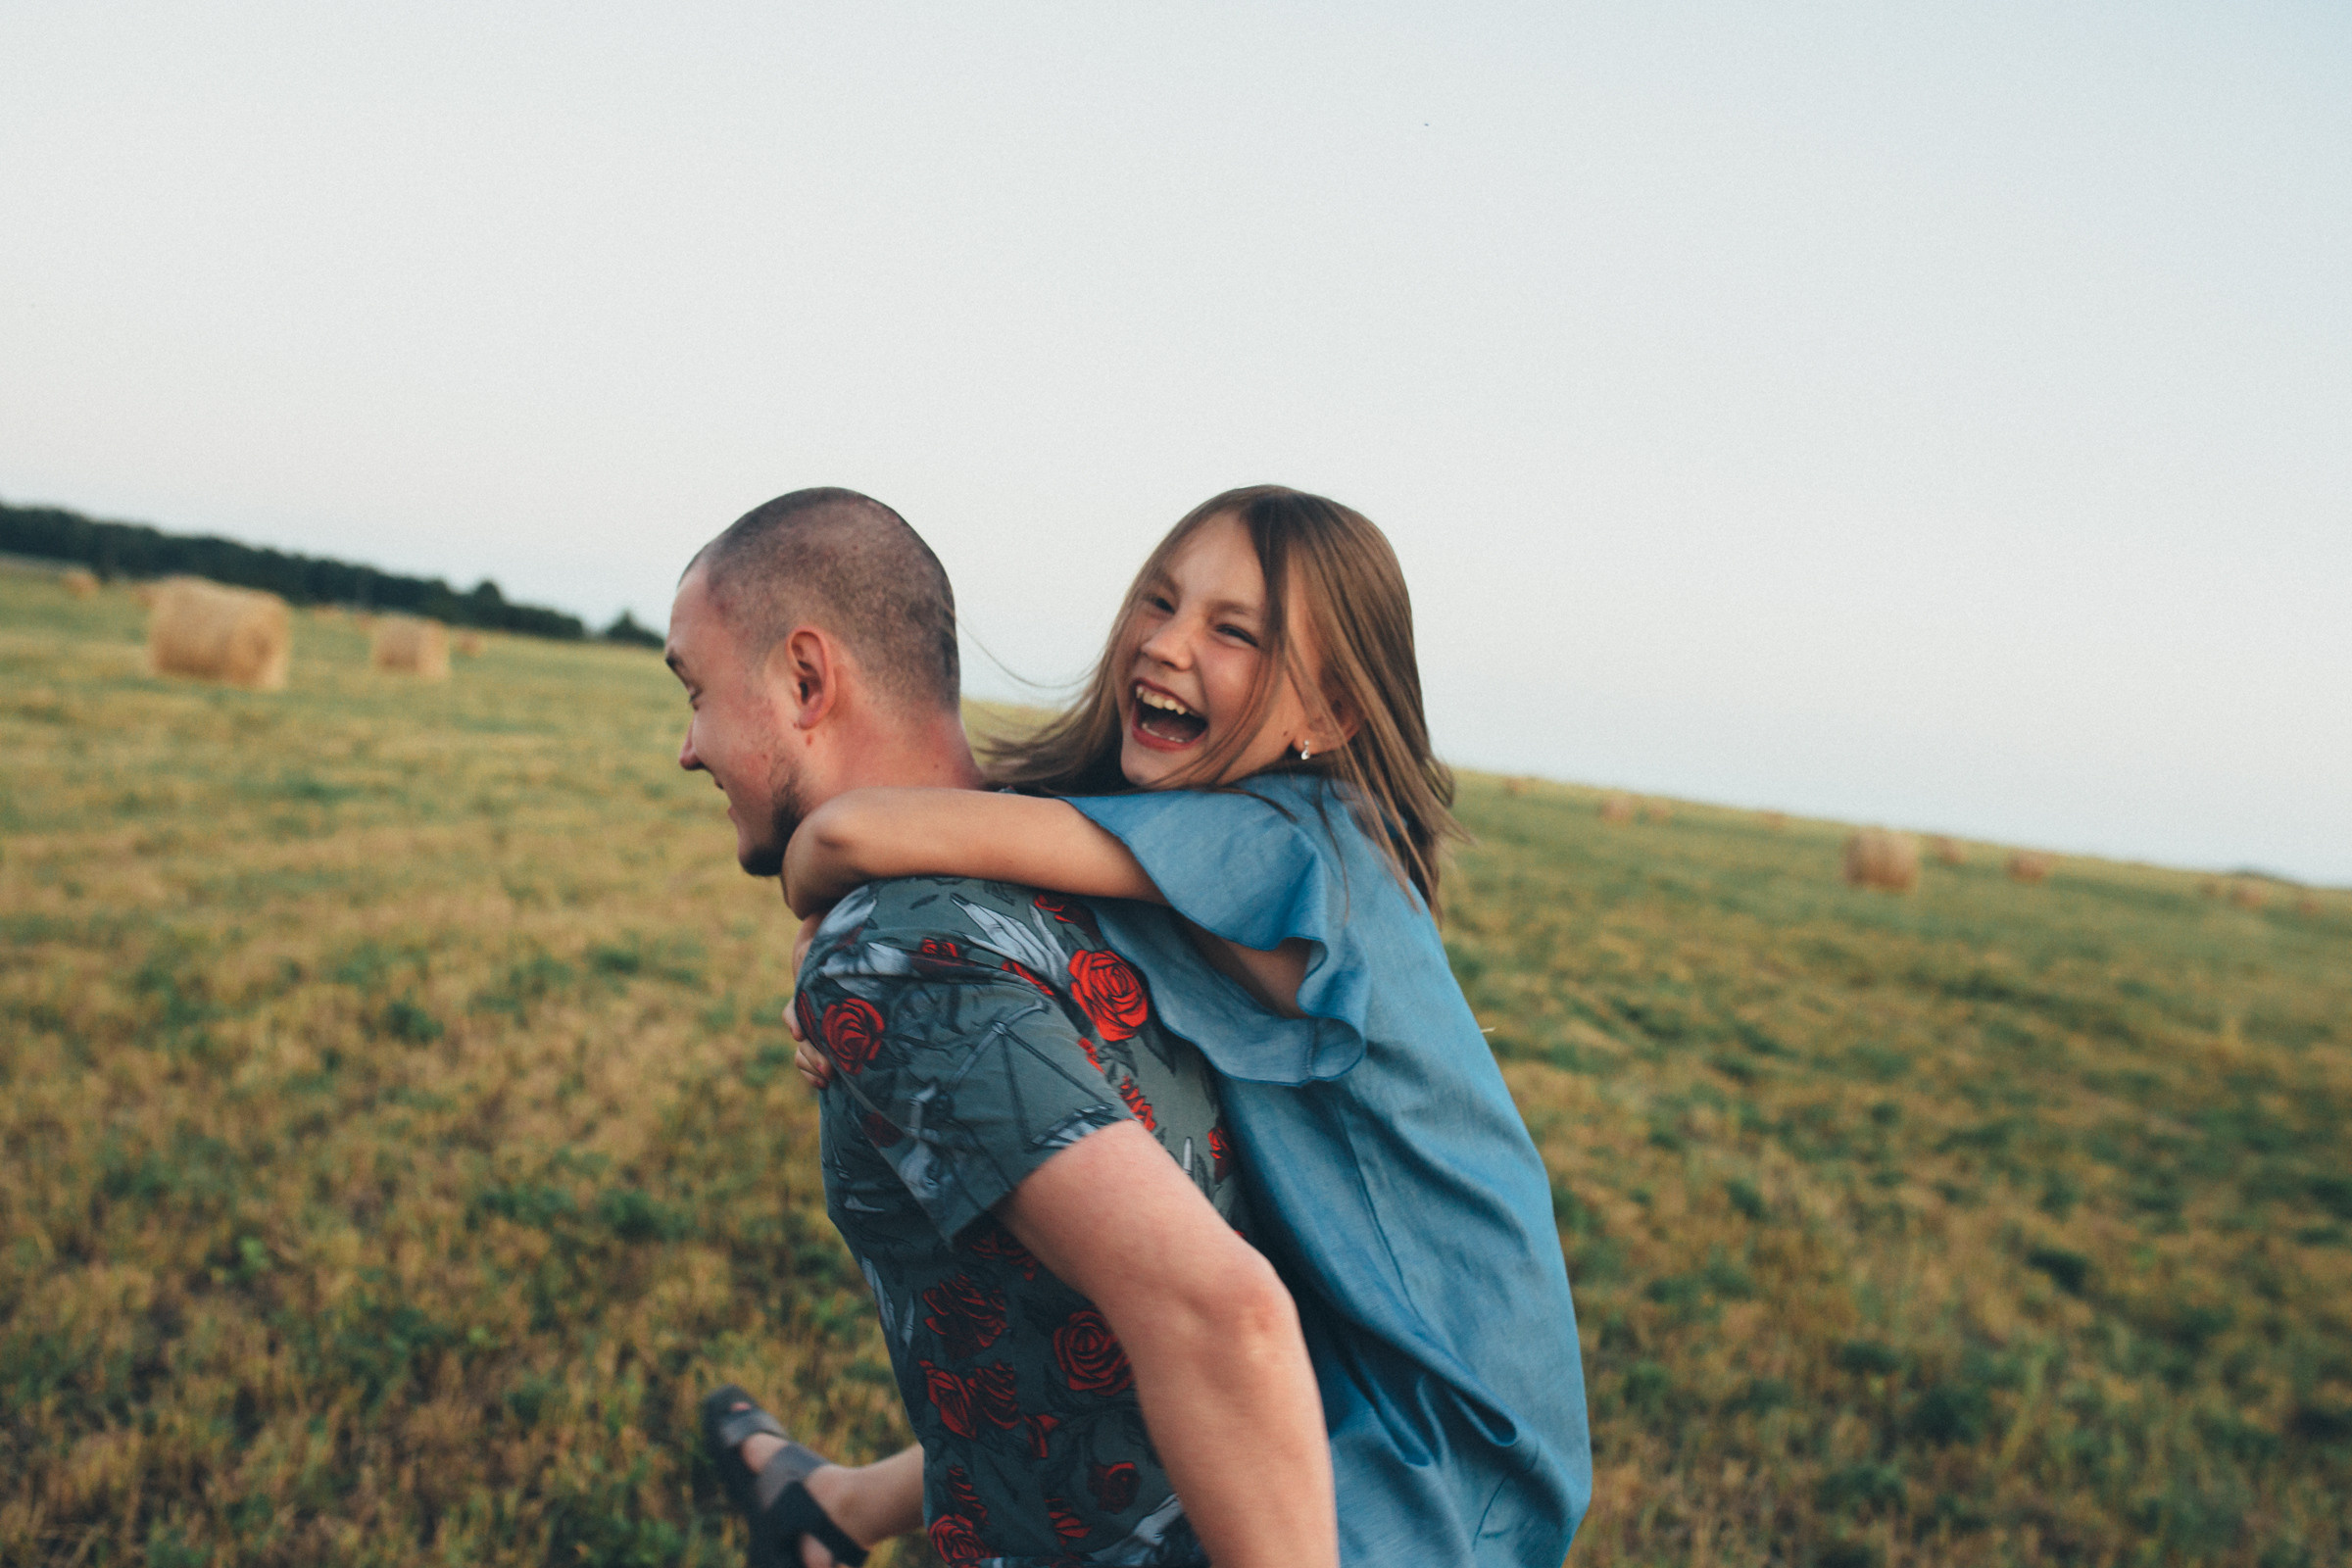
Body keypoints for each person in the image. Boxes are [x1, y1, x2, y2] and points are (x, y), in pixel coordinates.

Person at [784, 486, 1592, 1566]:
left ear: (1330, 716)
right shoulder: (1223, 841)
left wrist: (820, 921)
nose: (1166, 645)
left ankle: (830, 1511)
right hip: (1366, 1330)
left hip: (1451, 1427)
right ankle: (832, 1508)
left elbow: (850, 835)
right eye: (1160, 602)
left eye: (1234, 632)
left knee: (1192, 1402)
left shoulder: (1293, 847)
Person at [666, 488, 1336, 1568]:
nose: (688, 748)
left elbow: (1221, 1316)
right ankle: (827, 1508)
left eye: (694, 692)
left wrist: (864, 955)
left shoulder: (895, 951)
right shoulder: (1096, 866)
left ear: (805, 680)